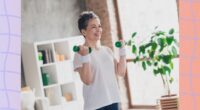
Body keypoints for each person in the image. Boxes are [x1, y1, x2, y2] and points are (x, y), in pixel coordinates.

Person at [73, 11, 127, 110]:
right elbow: (87, 80)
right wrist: (85, 56)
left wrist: (122, 51)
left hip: (114, 100)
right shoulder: (79, 53)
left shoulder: (107, 50)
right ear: (83, 31)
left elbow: (121, 72)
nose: (98, 30)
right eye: (94, 27)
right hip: (95, 105)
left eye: (99, 26)